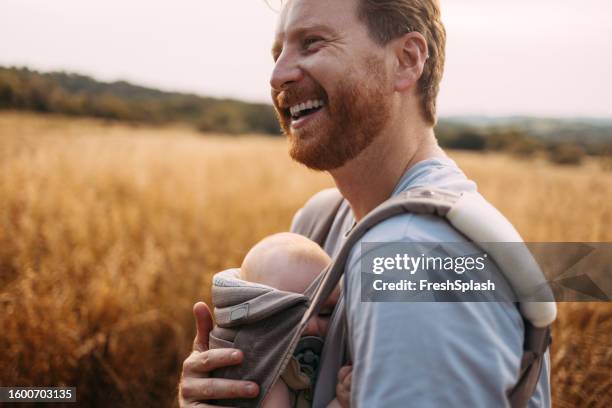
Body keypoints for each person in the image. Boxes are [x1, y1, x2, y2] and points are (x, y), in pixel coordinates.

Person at [179, 0, 551, 406]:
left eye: (313, 43)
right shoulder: (320, 222)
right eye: (278, 52)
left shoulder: (413, 258)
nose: (278, 74)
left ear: (406, 61)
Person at [209, 232, 349, 407]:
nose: (311, 326)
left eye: (326, 313)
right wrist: (341, 403)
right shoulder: (266, 377)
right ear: (257, 317)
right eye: (291, 314)